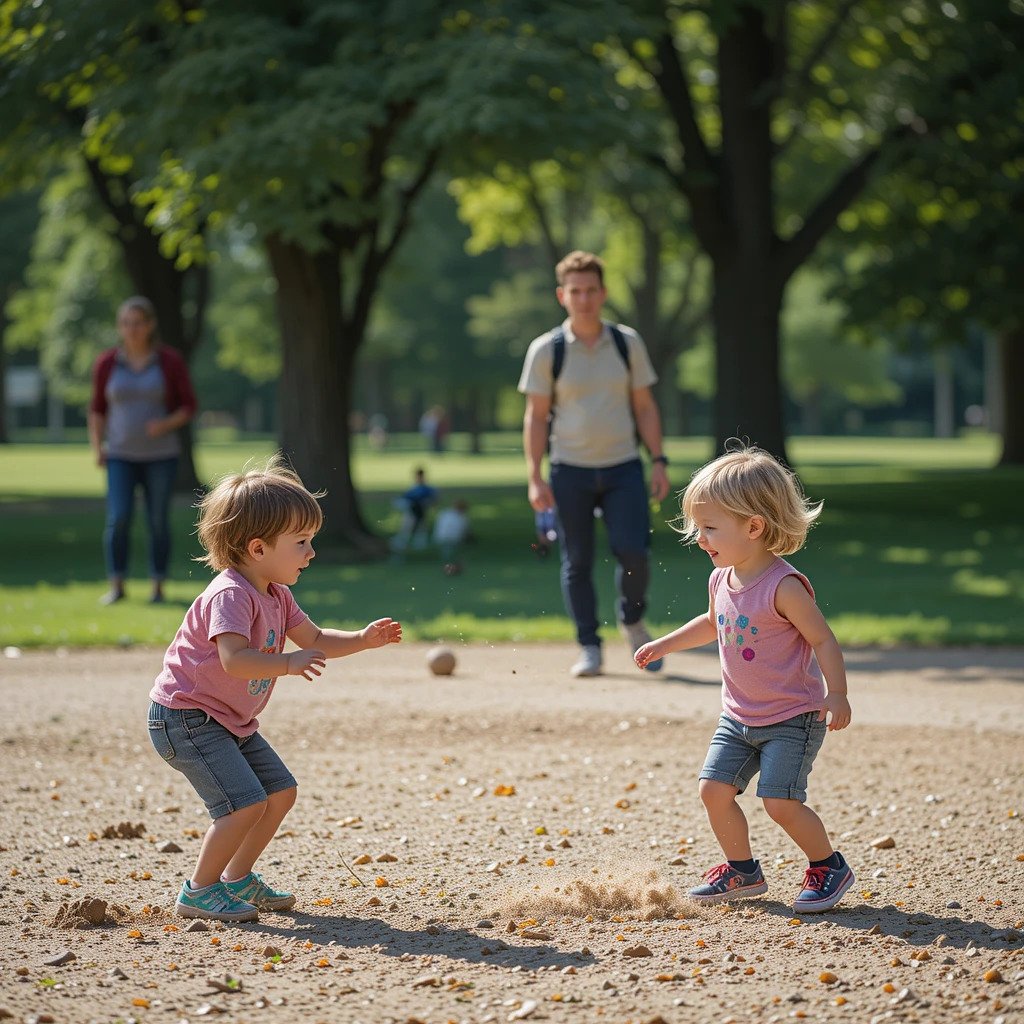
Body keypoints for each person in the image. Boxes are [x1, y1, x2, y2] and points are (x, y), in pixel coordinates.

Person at [147, 456, 402, 922]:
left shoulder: (276, 594)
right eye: (301, 542)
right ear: (258, 548)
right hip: (186, 718)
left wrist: (364, 640)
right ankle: (198, 891)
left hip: (228, 719)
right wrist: (286, 663)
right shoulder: (231, 594)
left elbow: (318, 640)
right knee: (244, 804)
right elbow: (234, 659)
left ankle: (237, 878)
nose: (311, 553)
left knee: (280, 792)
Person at [634, 444, 855, 913]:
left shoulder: (784, 586)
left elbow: (824, 640)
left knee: (779, 802)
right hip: (737, 716)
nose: (699, 538)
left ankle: (828, 865)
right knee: (713, 791)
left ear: (754, 527)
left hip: (793, 717)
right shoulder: (722, 579)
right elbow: (712, 622)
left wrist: (837, 692)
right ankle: (742, 870)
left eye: (710, 527)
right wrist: (663, 645)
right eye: (698, 527)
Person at [519, 250, 671, 677]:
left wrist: (658, 460)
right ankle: (589, 646)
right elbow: (535, 416)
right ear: (561, 295)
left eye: (590, 290)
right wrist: (534, 475)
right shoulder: (547, 350)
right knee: (577, 561)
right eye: (575, 291)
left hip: (624, 466)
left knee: (634, 553)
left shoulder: (626, 342)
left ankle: (633, 621)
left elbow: (644, 407)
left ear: (602, 293)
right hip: (569, 469)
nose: (583, 299)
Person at [88, 296, 197, 605]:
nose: (132, 329)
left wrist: (164, 424)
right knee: (118, 517)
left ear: (150, 325)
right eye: (126, 323)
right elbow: (97, 409)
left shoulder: (169, 361)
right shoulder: (108, 363)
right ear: (119, 327)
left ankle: (158, 586)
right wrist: (98, 448)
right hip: (120, 454)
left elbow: (189, 405)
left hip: (161, 456)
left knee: (158, 520)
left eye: (138, 323)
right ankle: (117, 585)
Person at [391, 466, 438, 554]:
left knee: (419, 528)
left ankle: (418, 546)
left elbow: (433, 500)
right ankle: (402, 544)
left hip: (421, 511)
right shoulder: (413, 488)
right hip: (412, 511)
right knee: (408, 527)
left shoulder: (427, 489)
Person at [433, 499, 471, 573]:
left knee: (448, 554)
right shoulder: (462, 517)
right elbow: (465, 531)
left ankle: (449, 567)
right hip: (453, 539)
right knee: (453, 554)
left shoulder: (444, 513)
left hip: (440, 537)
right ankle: (452, 568)